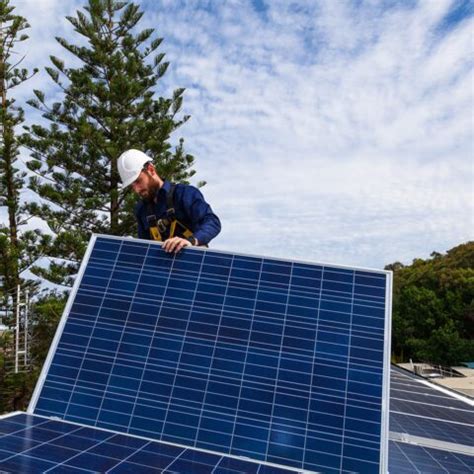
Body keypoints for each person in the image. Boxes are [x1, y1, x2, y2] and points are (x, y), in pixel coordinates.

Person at [118, 149, 221, 253]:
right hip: (160, 266)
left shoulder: (184, 194)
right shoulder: (141, 210)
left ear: (151, 170)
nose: (137, 189)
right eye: (132, 186)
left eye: (138, 181)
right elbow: (145, 248)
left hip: (192, 261)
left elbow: (212, 222)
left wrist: (191, 241)